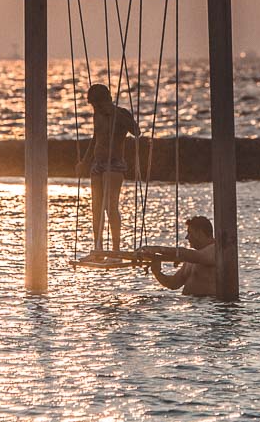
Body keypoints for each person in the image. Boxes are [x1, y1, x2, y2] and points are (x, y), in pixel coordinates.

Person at [86, 81, 139, 254]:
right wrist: (85, 161)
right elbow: (96, 138)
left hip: (114, 164)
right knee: (96, 207)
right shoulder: (97, 115)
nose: (96, 109)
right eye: (93, 106)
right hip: (98, 163)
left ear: (106, 101)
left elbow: (136, 132)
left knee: (110, 206)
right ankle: (98, 247)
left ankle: (116, 248)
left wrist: (116, 114)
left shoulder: (121, 113)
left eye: (98, 105)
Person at [142, 216, 218, 297]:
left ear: (199, 233)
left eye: (190, 233)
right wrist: (157, 272)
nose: (187, 237)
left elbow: (196, 256)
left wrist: (159, 249)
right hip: (193, 307)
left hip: (207, 306)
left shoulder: (216, 250)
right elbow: (174, 283)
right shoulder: (192, 259)